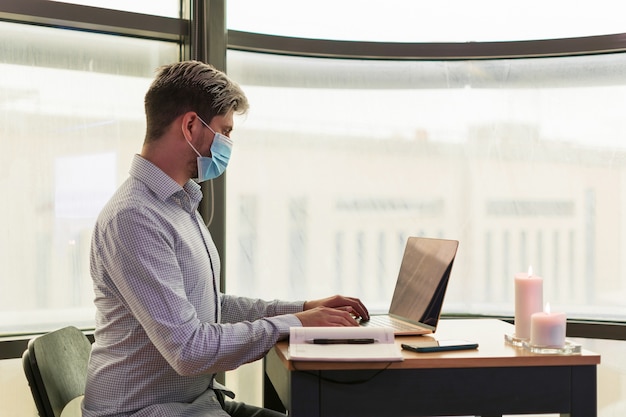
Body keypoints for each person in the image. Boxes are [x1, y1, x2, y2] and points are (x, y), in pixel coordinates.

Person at [82, 60, 370, 417]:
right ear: (190, 125)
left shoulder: (177, 204)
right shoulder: (135, 218)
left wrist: (302, 309)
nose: (229, 144)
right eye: (225, 131)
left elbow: (210, 305)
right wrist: (295, 325)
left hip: (196, 402)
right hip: (148, 411)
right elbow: (189, 350)